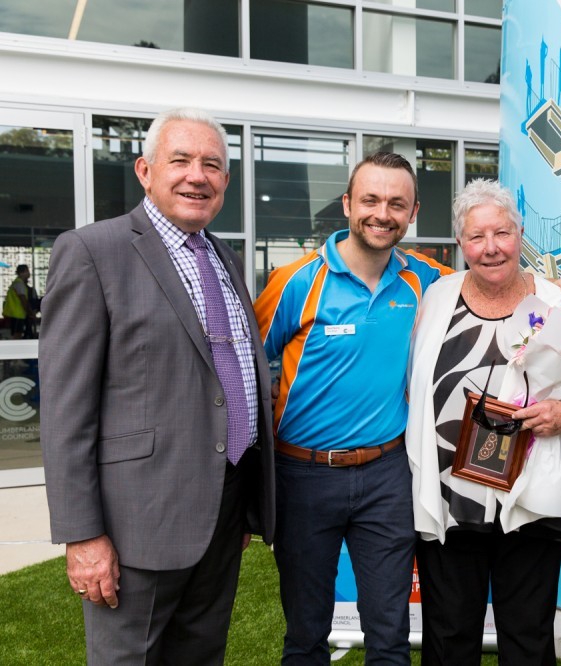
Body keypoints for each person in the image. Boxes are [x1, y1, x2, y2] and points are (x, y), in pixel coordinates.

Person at [40, 107, 275, 664]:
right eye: (181, 160)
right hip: (135, 526)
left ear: (225, 182)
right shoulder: (93, 252)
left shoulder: (224, 256)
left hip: (221, 513)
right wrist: (83, 536)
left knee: (200, 656)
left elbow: (229, 375)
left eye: (212, 165)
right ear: (146, 171)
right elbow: (66, 410)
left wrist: (242, 506)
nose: (198, 175)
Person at [406, 179, 561, 665]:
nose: (491, 248)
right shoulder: (436, 297)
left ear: (521, 234)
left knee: (527, 639)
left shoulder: (558, 300)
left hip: (531, 500)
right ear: (461, 244)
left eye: (502, 233)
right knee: (449, 638)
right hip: (450, 501)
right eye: (477, 237)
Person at [255, 152, 447, 665]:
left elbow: (494, 288)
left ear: (412, 213)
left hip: (387, 475)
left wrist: (555, 290)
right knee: (306, 632)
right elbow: (243, 370)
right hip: (303, 476)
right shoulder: (296, 281)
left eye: (396, 203)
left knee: (389, 635)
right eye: (371, 199)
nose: (382, 213)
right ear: (347, 204)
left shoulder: (428, 280)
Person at [4, 264, 35, 338]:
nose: (29, 273)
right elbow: (23, 300)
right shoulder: (19, 284)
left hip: (16, 314)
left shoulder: (18, 283)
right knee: (17, 335)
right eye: (27, 271)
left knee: (17, 334)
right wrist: (30, 313)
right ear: (21, 273)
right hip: (17, 314)